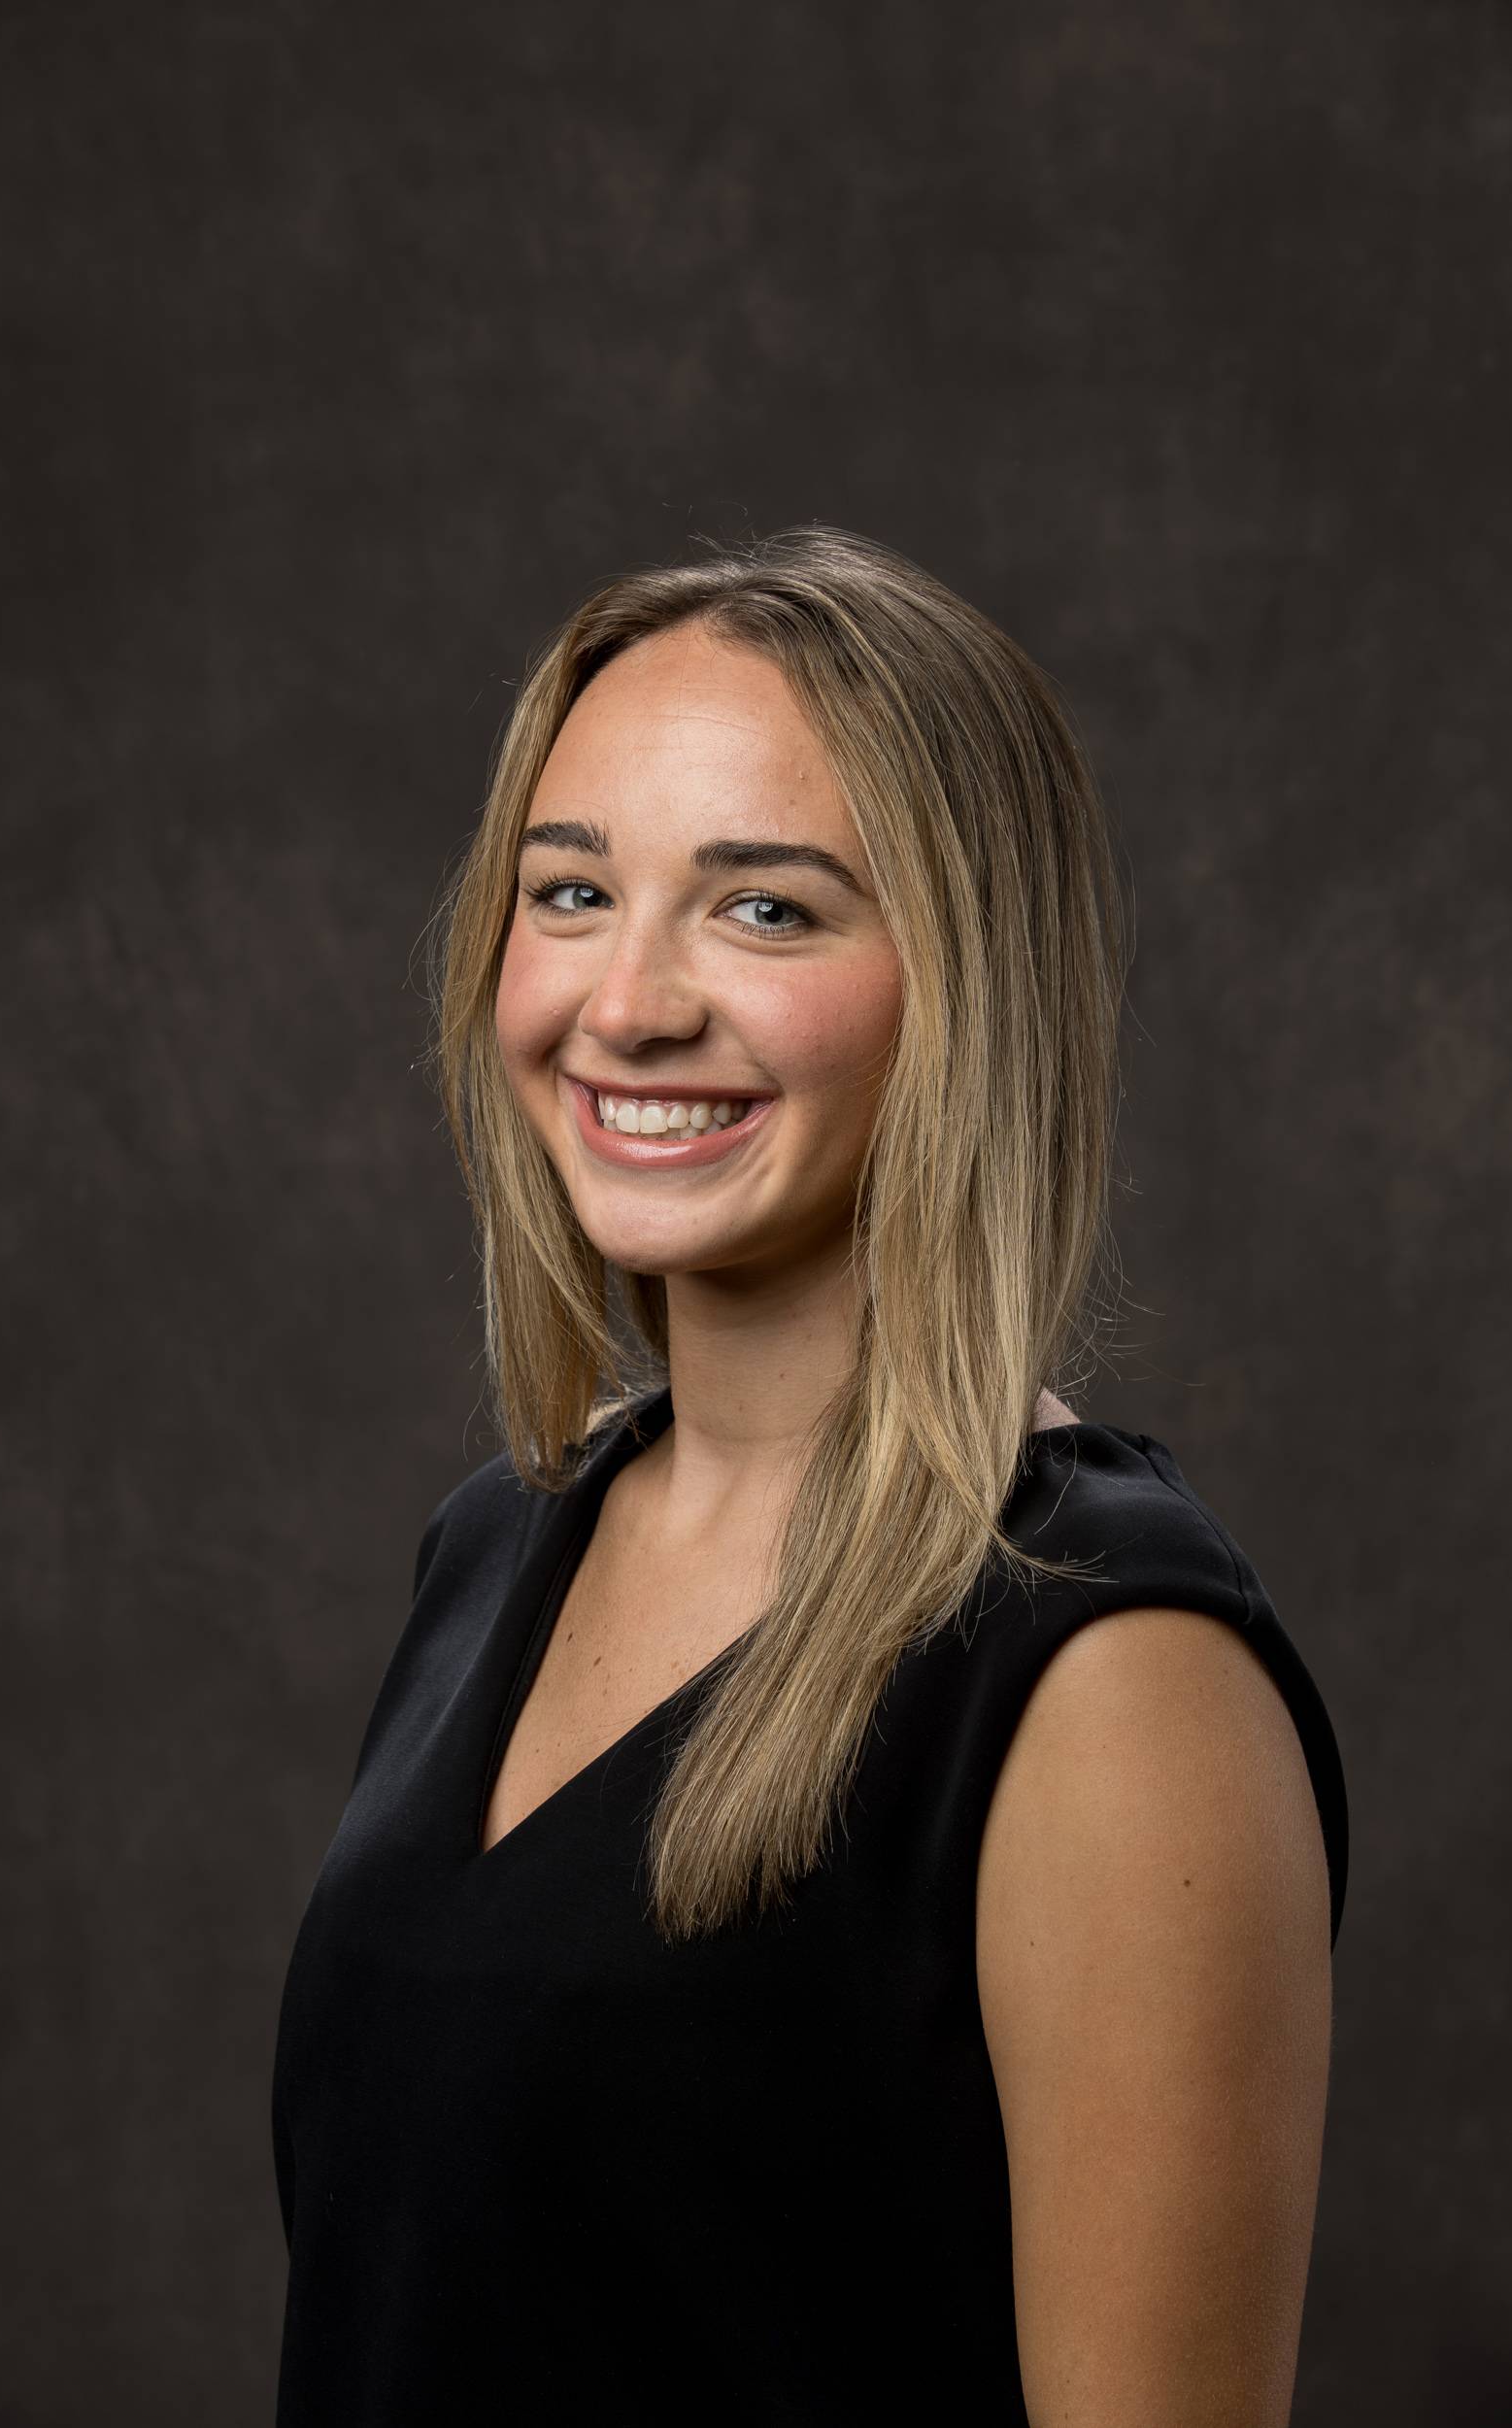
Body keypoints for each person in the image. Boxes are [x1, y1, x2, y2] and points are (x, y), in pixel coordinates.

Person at [271, 525, 1348, 2426]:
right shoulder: (496, 1545)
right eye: (572, 890)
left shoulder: (1107, 1664)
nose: (630, 1001)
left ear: (968, 985)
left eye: (764, 910)